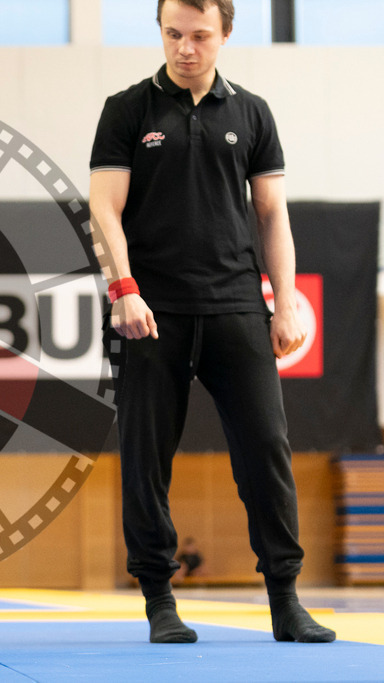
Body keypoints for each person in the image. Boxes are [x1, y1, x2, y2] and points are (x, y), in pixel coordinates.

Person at [88, 0, 334, 644]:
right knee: (145, 459)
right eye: (173, 34)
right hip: (150, 313)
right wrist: (124, 289)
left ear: (225, 34)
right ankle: (159, 601)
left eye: (199, 36)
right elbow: (104, 209)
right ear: (161, 31)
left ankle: (285, 598)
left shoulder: (252, 113)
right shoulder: (126, 110)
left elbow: (272, 214)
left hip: (236, 305)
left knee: (266, 452)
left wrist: (285, 302)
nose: (185, 48)